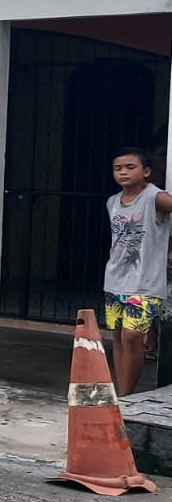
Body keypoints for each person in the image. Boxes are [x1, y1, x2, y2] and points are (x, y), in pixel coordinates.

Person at [104, 147, 172, 396]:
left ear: (146, 172)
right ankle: (123, 397)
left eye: (130, 167)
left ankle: (127, 396)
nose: (123, 172)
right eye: (118, 168)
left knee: (134, 335)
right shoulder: (112, 202)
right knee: (119, 338)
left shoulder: (156, 197)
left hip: (146, 282)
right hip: (114, 280)